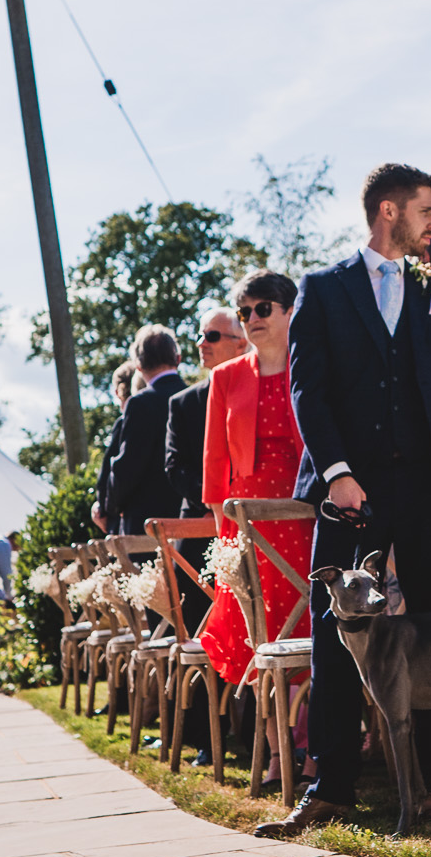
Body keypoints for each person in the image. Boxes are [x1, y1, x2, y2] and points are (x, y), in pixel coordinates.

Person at [263, 163, 431, 837]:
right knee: (338, 631)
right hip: (351, 490)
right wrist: (336, 471)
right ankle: (330, 783)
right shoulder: (326, 289)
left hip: (430, 488)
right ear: (390, 211)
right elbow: (309, 388)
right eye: (425, 209)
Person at [200, 271, 309, 688]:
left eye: (263, 309)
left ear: (290, 311)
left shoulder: (312, 363)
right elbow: (213, 460)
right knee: (258, 622)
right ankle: (274, 737)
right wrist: (222, 533)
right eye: (245, 312)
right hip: (246, 517)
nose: (252, 318)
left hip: (305, 508)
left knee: (305, 615)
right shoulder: (225, 377)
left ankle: (307, 732)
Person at [102, 329, 186, 536]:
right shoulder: (197, 396)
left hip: (148, 523)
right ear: (178, 358)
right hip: (191, 517)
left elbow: (128, 466)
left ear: (138, 366)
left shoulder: (139, 404)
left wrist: (110, 507)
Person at [168, 309, 246, 521]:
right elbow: (176, 466)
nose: (201, 343)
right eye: (200, 336)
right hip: (199, 514)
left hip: (256, 507)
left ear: (240, 343)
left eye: (212, 336)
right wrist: (213, 502)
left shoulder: (260, 391)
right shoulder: (183, 402)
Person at [90, 360, 138, 534]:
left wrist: (103, 508)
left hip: (127, 520)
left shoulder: (124, 422)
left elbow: (113, 471)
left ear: (118, 392)